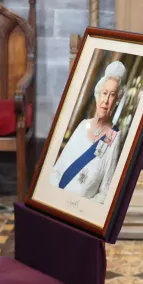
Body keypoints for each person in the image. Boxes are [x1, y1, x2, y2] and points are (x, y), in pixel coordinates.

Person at [50, 59, 127, 203]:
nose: (106, 100)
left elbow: (105, 193)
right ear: (98, 95)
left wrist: (82, 208)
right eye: (104, 93)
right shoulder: (83, 126)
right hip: (57, 199)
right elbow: (57, 170)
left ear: (117, 100)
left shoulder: (114, 137)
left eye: (112, 95)